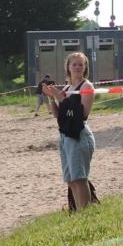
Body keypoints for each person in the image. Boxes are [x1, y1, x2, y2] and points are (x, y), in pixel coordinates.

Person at [43, 52, 96, 212]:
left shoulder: (87, 86)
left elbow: (83, 114)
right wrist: (51, 97)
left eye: (81, 64)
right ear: (68, 67)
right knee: (71, 179)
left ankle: (85, 213)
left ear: (85, 67)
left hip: (79, 134)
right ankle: (78, 212)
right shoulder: (66, 88)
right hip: (65, 135)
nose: (78, 67)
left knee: (80, 178)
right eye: (74, 64)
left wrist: (59, 96)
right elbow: (58, 116)